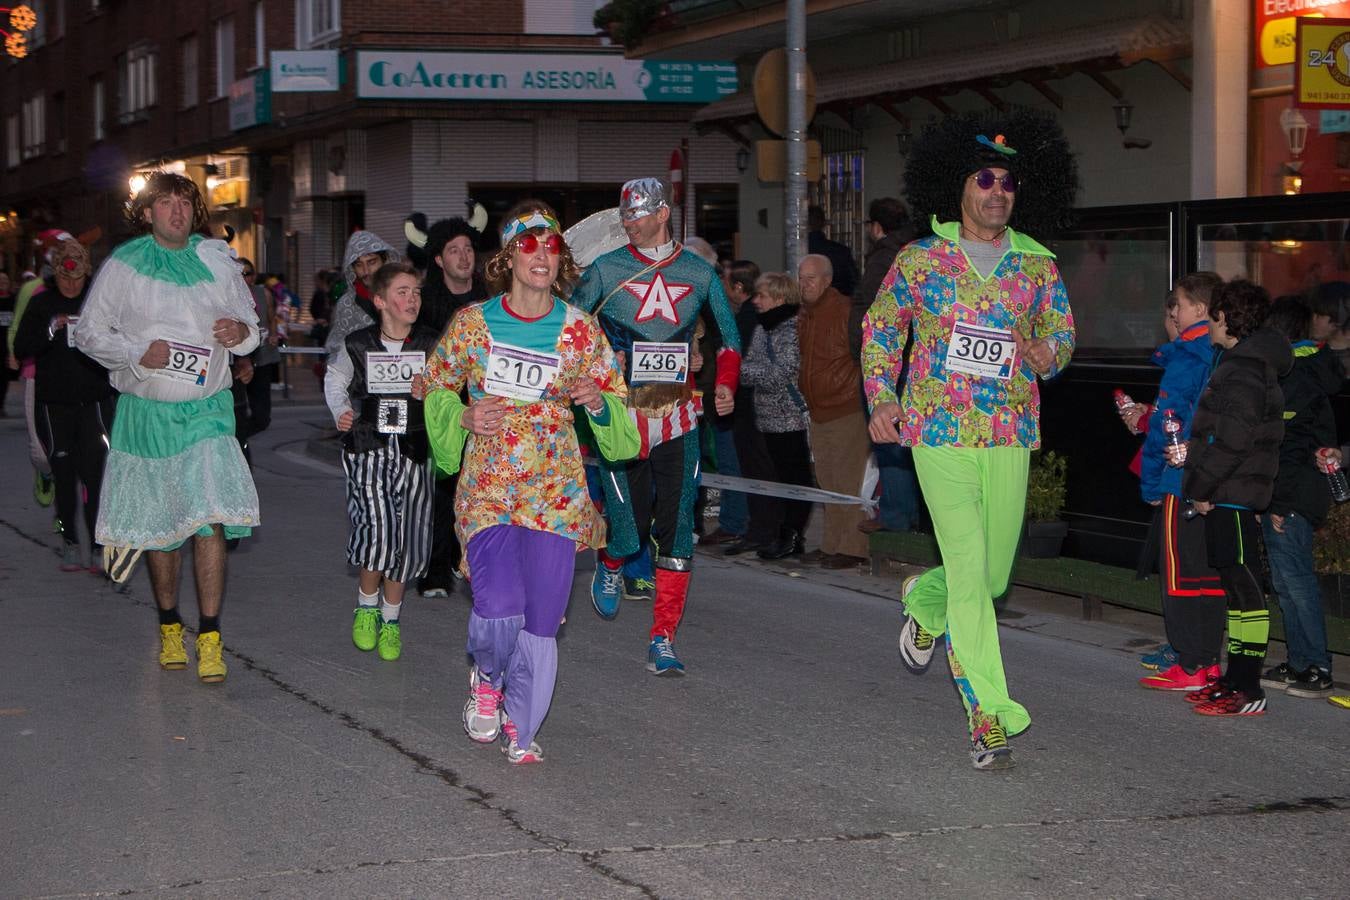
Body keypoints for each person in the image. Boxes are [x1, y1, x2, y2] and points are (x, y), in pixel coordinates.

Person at [863, 114, 1077, 769]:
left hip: (1011, 430)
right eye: (985, 179)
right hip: (938, 431)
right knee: (968, 570)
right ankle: (989, 715)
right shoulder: (920, 259)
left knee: (990, 575)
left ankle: (926, 602)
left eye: (1008, 183)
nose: (997, 191)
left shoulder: (1038, 265)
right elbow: (879, 332)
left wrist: (1049, 352)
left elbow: (1063, 336)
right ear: (959, 187)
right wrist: (883, 398)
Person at [423, 200, 636, 763]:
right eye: (529, 245)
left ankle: (524, 722)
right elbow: (436, 386)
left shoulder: (580, 332)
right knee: (499, 606)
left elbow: (619, 412)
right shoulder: (473, 325)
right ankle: (487, 678)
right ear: (509, 256)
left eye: (550, 247)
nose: (540, 257)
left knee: (542, 620)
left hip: (557, 490)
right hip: (490, 485)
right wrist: (464, 417)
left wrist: (598, 403)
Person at [73, 172, 260, 684]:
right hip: (147, 415)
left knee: (210, 518)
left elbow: (251, 327)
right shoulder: (124, 265)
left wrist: (240, 332)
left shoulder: (217, 259)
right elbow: (88, 333)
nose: (177, 211)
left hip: (207, 410)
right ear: (148, 212)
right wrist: (137, 353)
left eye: (185, 202)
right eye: (166, 203)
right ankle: (170, 625)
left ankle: (211, 634)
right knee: (163, 530)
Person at [570, 177, 740, 675]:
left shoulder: (699, 273)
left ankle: (662, 638)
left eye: (636, 215)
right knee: (630, 528)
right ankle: (613, 560)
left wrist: (724, 383)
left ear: (663, 213)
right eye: (623, 216)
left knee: (678, 526)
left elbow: (728, 340)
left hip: (680, 418)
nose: (628, 224)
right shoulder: (606, 269)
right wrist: (602, 365)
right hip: (621, 420)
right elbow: (570, 332)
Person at [1173, 278, 1291, 716]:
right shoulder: (1241, 362)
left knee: (1244, 588)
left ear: (1225, 318)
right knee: (1236, 588)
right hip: (1231, 491)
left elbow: (1234, 440)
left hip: (1235, 492)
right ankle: (1234, 679)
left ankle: (1248, 687)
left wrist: (1201, 486)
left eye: (1213, 315)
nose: (1209, 323)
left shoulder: (1243, 368)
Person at [325, 262, 438, 662]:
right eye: (403, 292)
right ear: (380, 301)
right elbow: (335, 379)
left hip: (413, 449)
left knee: (406, 536)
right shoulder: (357, 342)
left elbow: (449, 388)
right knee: (377, 529)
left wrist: (432, 392)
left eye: (417, 293)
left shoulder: (429, 343)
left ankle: (391, 620)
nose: (412, 300)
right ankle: (365, 606)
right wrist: (340, 409)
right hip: (368, 446)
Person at [1134, 273, 1230, 691]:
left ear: (1201, 310)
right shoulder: (1219, 353)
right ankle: (1206, 662)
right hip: (1214, 476)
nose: (1173, 311)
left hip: (1181, 479)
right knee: (1208, 573)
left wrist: (1152, 484)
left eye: (1179, 304)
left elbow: (1167, 424)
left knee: (1181, 575)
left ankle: (1190, 664)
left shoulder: (1188, 356)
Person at [1256, 296, 1345, 700]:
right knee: (1286, 582)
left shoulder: (1295, 377)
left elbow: (1289, 448)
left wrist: (1278, 503)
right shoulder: (1304, 371)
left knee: (1296, 581)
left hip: (1292, 495)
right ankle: (1299, 660)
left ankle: (1316, 665)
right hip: (1294, 492)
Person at [13, 237, 115, 571]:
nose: (71, 284)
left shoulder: (97, 301)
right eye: (65, 278)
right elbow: (22, 346)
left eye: (78, 278)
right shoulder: (43, 303)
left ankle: (100, 546)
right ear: (55, 275)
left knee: (96, 476)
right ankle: (70, 539)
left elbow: (119, 342)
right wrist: (50, 329)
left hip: (94, 404)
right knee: (65, 474)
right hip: (54, 405)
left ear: (87, 275)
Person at [411, 216, 488, 599]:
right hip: (442, 410)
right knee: (442, 491)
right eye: (454, 250)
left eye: (469, 248)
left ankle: (473, 564)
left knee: (482, 491)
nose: (464, 257)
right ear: (439, 260)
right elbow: (407, 344)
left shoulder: (493, 297)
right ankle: (436, 569)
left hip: (487, 408)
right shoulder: (423, 303)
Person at [852, 198, 921, 537]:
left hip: (894, 365)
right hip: (913, 361)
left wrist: (861, 351)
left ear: (877, 227)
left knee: (890, 440)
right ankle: (909, 516)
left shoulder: (886, 257)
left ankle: (896, 517)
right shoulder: (918, 248)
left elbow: (874, 315)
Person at [798, 253, 870, 568]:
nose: (804, 285)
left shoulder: (844, 312)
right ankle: (831, 544)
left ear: (827, 280)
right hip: (819, 410)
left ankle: (853, 548)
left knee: (848, 480)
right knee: (827, 480)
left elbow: (863, 356)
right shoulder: (807, 315)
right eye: (800, 279)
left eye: (810, 279)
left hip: (846, 407)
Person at [740, 272, 813, 560]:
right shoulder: (763, 328)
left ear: (780, 298)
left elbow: (780, 373)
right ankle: (781, 532)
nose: (755, 301)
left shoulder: (791, 328)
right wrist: (752, 372)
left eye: (762, 296)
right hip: (767, 418)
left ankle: (793, 535)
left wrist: (750, 372)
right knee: (779, 477)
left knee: (796, 477)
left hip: (791, 417)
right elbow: (748, 370)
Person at [714, 259, 776, 555]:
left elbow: (745, 363)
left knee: (739, 465)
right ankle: (747, 524)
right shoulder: (747, 316)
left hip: (747, 407)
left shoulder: (747, 320)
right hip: (748, 406)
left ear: (738, 287)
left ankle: (737, 524)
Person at [324, 230, 402, 361]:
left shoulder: (405, 297)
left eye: (371, 262)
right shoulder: (347, 305)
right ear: (352, 269)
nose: (366, 271)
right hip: (361, 378)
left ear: (385, 261)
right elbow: (336, 351)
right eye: (359, 264)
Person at [230, 259, 280, 464]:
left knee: (262, 418)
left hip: (261, 358)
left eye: (248, 273)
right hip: (239, 363)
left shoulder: (263, 293)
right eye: (240, 274)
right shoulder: (227, 294)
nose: (245, 278)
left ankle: (232, 438)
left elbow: (272, 317)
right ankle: (234, 440)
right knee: (239, 412)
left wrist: (275, 335)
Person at [807, 205, 858, 298]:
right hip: (839, 305)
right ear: (823, 223)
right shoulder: (841, 251)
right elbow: (853, 283)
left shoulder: (799, 254)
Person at [0, 271, 14, 416]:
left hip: (7, 344)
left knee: (4, 377)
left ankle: (1, 405)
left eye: (5, 279)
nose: (3, 282)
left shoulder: (13, 300)